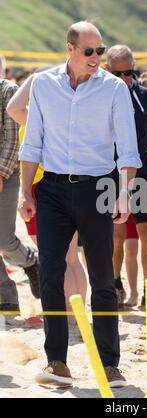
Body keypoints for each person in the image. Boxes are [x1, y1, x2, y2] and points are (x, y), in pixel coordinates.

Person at [18, 21, 142, 387]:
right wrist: (26, 191)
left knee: (104, 278)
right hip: (52, 189)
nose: (96, 58)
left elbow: (128, 148)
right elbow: (33, 142)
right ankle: (56, 361)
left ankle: (110, 365)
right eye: (89, 51)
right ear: (70, 49)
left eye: (100, 51)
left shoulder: (114, 89)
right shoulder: (43, 85)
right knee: (51, 271)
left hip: (98, 188)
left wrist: (124, 191)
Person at [7, 72, 88, 327]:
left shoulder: (36, 117)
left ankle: (66, 311)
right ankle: (76, 312)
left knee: (56, 257)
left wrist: (33, 78)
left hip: (44, 189)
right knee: (71, 257)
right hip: (68, 187)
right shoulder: (67, 114)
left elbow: (12, 107)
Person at [105, 45, 147, 309]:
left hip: (142, 172)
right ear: (107, 70)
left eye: (130, 72)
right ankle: (114, 284)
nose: (126, 78)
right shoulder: (99, 95)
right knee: (115, 233)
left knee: (146, 230)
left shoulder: (145, 97)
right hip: (110, 173)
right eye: (119, 74)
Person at [0, 77, 40, 313]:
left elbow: (13, 139)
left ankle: (32, 261)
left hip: (9, 172)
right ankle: (7, 296)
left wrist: (1, 172)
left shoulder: (8, 90)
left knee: (3, 238)